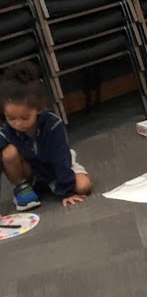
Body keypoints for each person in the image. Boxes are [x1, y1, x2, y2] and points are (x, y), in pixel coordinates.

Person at [0, 62, 91, 209]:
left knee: (83, 186)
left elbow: (61, 159)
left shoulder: (53, 125)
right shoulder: (6, 130)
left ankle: (52, 186)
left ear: (39, 108)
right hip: (33, 171)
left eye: (24, 118)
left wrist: (67, 192)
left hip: (58, 167)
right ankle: (24, 188)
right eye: (11, 118)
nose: (17, 124)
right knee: (8, 154)